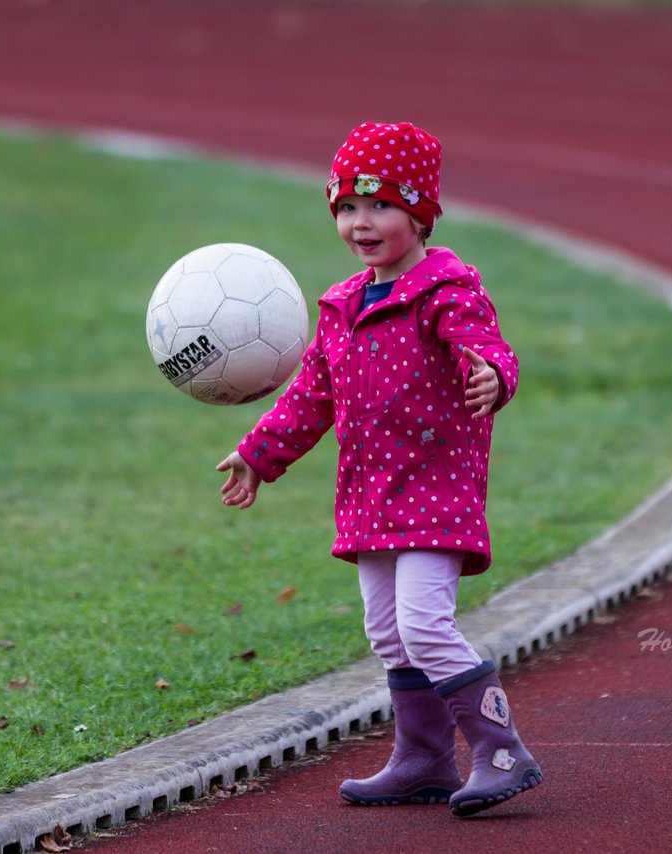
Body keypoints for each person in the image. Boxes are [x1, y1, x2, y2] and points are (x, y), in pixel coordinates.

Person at [216, 121, 541, 817]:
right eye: (346, 208)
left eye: (381, 206)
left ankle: (500, 749)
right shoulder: (340, 306)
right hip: (370, 502)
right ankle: (425, 758)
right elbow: (310, 398)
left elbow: (487, 347)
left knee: (426, 626)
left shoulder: (446, 291)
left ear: (420, 213)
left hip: (434, 495)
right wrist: (257, 455)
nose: (362, 222)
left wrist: (493, 377)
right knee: (388, 631)